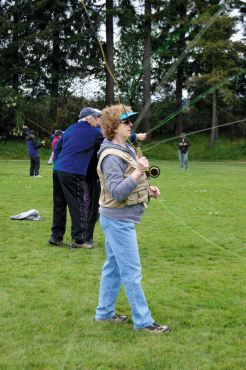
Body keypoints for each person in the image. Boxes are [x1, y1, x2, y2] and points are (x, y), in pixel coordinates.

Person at [95, 104, 170, 334]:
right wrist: (138, 171)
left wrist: (148, 189)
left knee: (113, 268)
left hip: (118, 218)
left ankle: (104, 314)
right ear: (114, 127)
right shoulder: (109, 156)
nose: (130, 126)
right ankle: (144, 322)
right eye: (126, 122)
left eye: (130, 121)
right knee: (131, 271)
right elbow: (117, 191)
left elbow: (128, 183)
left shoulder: (125, 147)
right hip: (118, 221)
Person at [48, 107, 103, 249]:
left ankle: (56, 236)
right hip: (73, 172)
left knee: (59, 204)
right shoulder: (94, 132)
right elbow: (112, 137)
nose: (99, 121)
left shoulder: (70, 129)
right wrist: (134, 137)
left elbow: (57, 149)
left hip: (58, 169)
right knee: (78, 205)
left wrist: (59, 162)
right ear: (89, 118)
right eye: (97, 118)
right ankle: (79, 240)